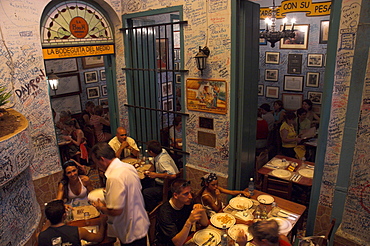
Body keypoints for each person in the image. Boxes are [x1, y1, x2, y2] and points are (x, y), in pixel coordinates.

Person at [90, 142, 149, 246]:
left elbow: (116, 211)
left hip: (130, 229)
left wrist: (101, 207)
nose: (96, 166)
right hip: (140, 222)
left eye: (96, 162)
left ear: (102, 160)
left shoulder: (114, 177)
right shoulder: (128, 167)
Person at [156, 178, 208, 246]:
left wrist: (201, 209)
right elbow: (177, 243)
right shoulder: (165, 212)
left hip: (185, 238)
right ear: (175, 195)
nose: (190, 196)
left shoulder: (187, 202)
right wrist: (189, 222)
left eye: (190, 192)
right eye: (186, 194)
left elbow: (205, 223)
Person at [38, 200, 107, 246]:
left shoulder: (40, 237)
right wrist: (102, 223)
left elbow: (43, 232)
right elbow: (99, 237)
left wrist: (51, 215)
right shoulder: (78, 231)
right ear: (64, 215)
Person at [143, 140, 179, 211]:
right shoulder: (161, 152)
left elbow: (173, 175)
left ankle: (152, 211)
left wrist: (156, 175)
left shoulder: (162, 161)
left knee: (146, 192)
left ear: (151, 152)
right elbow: (154, 165)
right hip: (162, 183)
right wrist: (148, 171)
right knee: (145, 182)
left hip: (167, 187)